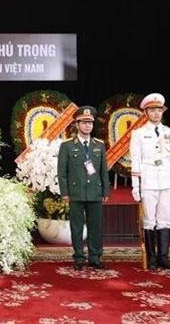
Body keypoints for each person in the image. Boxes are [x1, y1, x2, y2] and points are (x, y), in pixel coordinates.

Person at [130, 93, 170, 271]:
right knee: (149, 220)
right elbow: (136, 160)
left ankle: (163, 257)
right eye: (153, 110)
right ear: (146, 112)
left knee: (165, 219)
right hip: (149, 180)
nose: (156, 113)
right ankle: (151, 257)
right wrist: (136, 185)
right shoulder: (139, 134)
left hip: (167, 180)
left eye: (159, 110)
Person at [57, 105, 111, 271]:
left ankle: (95, 257)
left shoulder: (99, 145)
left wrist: (105, 191)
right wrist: (65, 192)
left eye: (90, 123)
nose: (88, 126)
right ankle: (79, 257)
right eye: (84, 122)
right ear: (76, 125)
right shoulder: (67, 146)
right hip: (76, 192)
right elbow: (62, 172)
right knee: (76, 227)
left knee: (96, 227)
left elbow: (103, 171)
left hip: (95, 191)